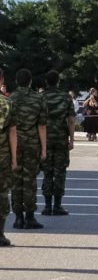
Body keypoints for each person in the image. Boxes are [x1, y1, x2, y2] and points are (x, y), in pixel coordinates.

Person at [10, 69, 46, 230]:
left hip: (15, 143)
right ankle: (30, 217)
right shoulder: (39, 99)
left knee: (16, 180)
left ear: (16, 81)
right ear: (30, 81)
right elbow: (42, 126)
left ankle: (18, 217)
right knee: (30, 180)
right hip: (32, 143)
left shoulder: (10, 99)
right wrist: (44, 149)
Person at [40, 71, 75, 217]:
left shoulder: (41, 97)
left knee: (47, 172)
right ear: (58, 82)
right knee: (60, 172)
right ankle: (57, 206)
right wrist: (71, 139)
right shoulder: (66, 97)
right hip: (61, 139)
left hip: (45, 139)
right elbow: (71, 120)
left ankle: (47, 206)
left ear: (46, 82)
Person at [0, 67, 17, 246]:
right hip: (3, 155)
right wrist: (14, 158)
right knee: (2, 192)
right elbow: (12, 131)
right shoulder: (7, 103)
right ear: (2, 81)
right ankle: (0, 234)